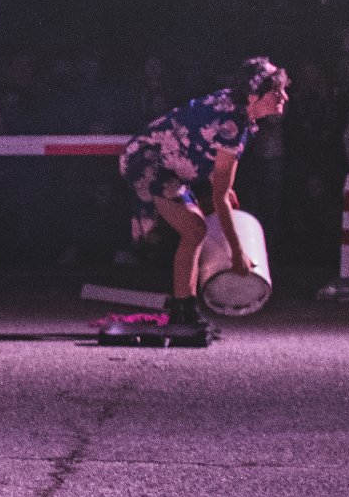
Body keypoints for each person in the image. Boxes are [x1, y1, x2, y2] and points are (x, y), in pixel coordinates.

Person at [118, 57, 289, 338]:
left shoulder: (235, 106)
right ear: (254, 94)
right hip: (148, 161)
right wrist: (237, 254)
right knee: (194, 228)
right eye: (276, 90)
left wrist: (219, 184)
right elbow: (220, 198)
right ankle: (183, 311)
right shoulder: (233, 123)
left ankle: (184, 310)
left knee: (194, 229)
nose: (284, 96)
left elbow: (201, 141)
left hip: (163, 162)